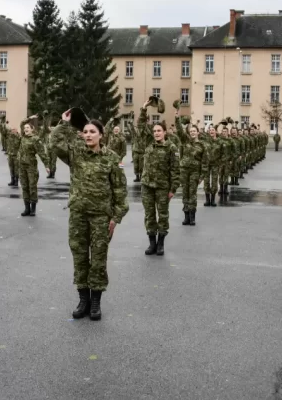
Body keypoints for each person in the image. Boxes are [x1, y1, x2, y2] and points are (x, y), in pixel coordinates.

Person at [51, 111, 128, 321]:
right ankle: (83, 299)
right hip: (78, 215)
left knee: (98, 260)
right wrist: (64, 124)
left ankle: (96, 302)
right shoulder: (75, 153)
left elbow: (121, 190)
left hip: (101, 217)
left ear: (101, 135)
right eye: (85, 132)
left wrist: (116, 217)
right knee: (80, 257)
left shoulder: (113, 159)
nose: (88, 135)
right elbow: (55, 143)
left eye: (92, 132)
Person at [138, 102, 179, 256]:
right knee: (149, 215)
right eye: (154, 131)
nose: (156, 133)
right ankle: (152, 243)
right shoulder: (149, 143)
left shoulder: (171, 148)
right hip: (147, 186)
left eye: (159, 131)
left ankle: (161, 243)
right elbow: (141, 125)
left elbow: (175, 170)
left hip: (163, 187)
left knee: (162, 215)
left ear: (164, 132)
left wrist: (173, 189)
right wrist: (144, 108)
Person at [175, 112, 208, 225]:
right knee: (185, 193)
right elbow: (179, 131)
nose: (193, 133)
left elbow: (205, 162)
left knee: (192, 193)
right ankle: (186, 216)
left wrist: (202, 176)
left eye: (194, 131)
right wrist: (177, 118)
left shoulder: (202, 145)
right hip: (184, 171)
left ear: (198, 133)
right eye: (191, 131)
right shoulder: (185, 141)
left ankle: (192, 216)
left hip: (195, 172)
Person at [18, 117, 48, 216]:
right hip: (22, 166)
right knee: (24, 186)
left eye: (27, 127)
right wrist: (29, 118)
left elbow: (42, 153)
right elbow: (22, 123)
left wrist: (46, 165)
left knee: (32, 187)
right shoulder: (23, 137)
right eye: (25, 128)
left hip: (31, 166)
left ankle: (33, 208)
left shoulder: (35, 139)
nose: (25, 129)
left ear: (32, 129)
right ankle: (26, 208)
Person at [202, 125, 221, 207]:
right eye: (210, 130)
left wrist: (221, 163)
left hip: (215, 165)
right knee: (206, 181)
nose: (212, 131)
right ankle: (207, 199)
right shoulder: (206, 141)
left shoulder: (219, 142)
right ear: (208, 132)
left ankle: (213, 199)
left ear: (216, 131)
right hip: (207, 164)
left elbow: (222, 154)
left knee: (214, 182)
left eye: (213, 130)